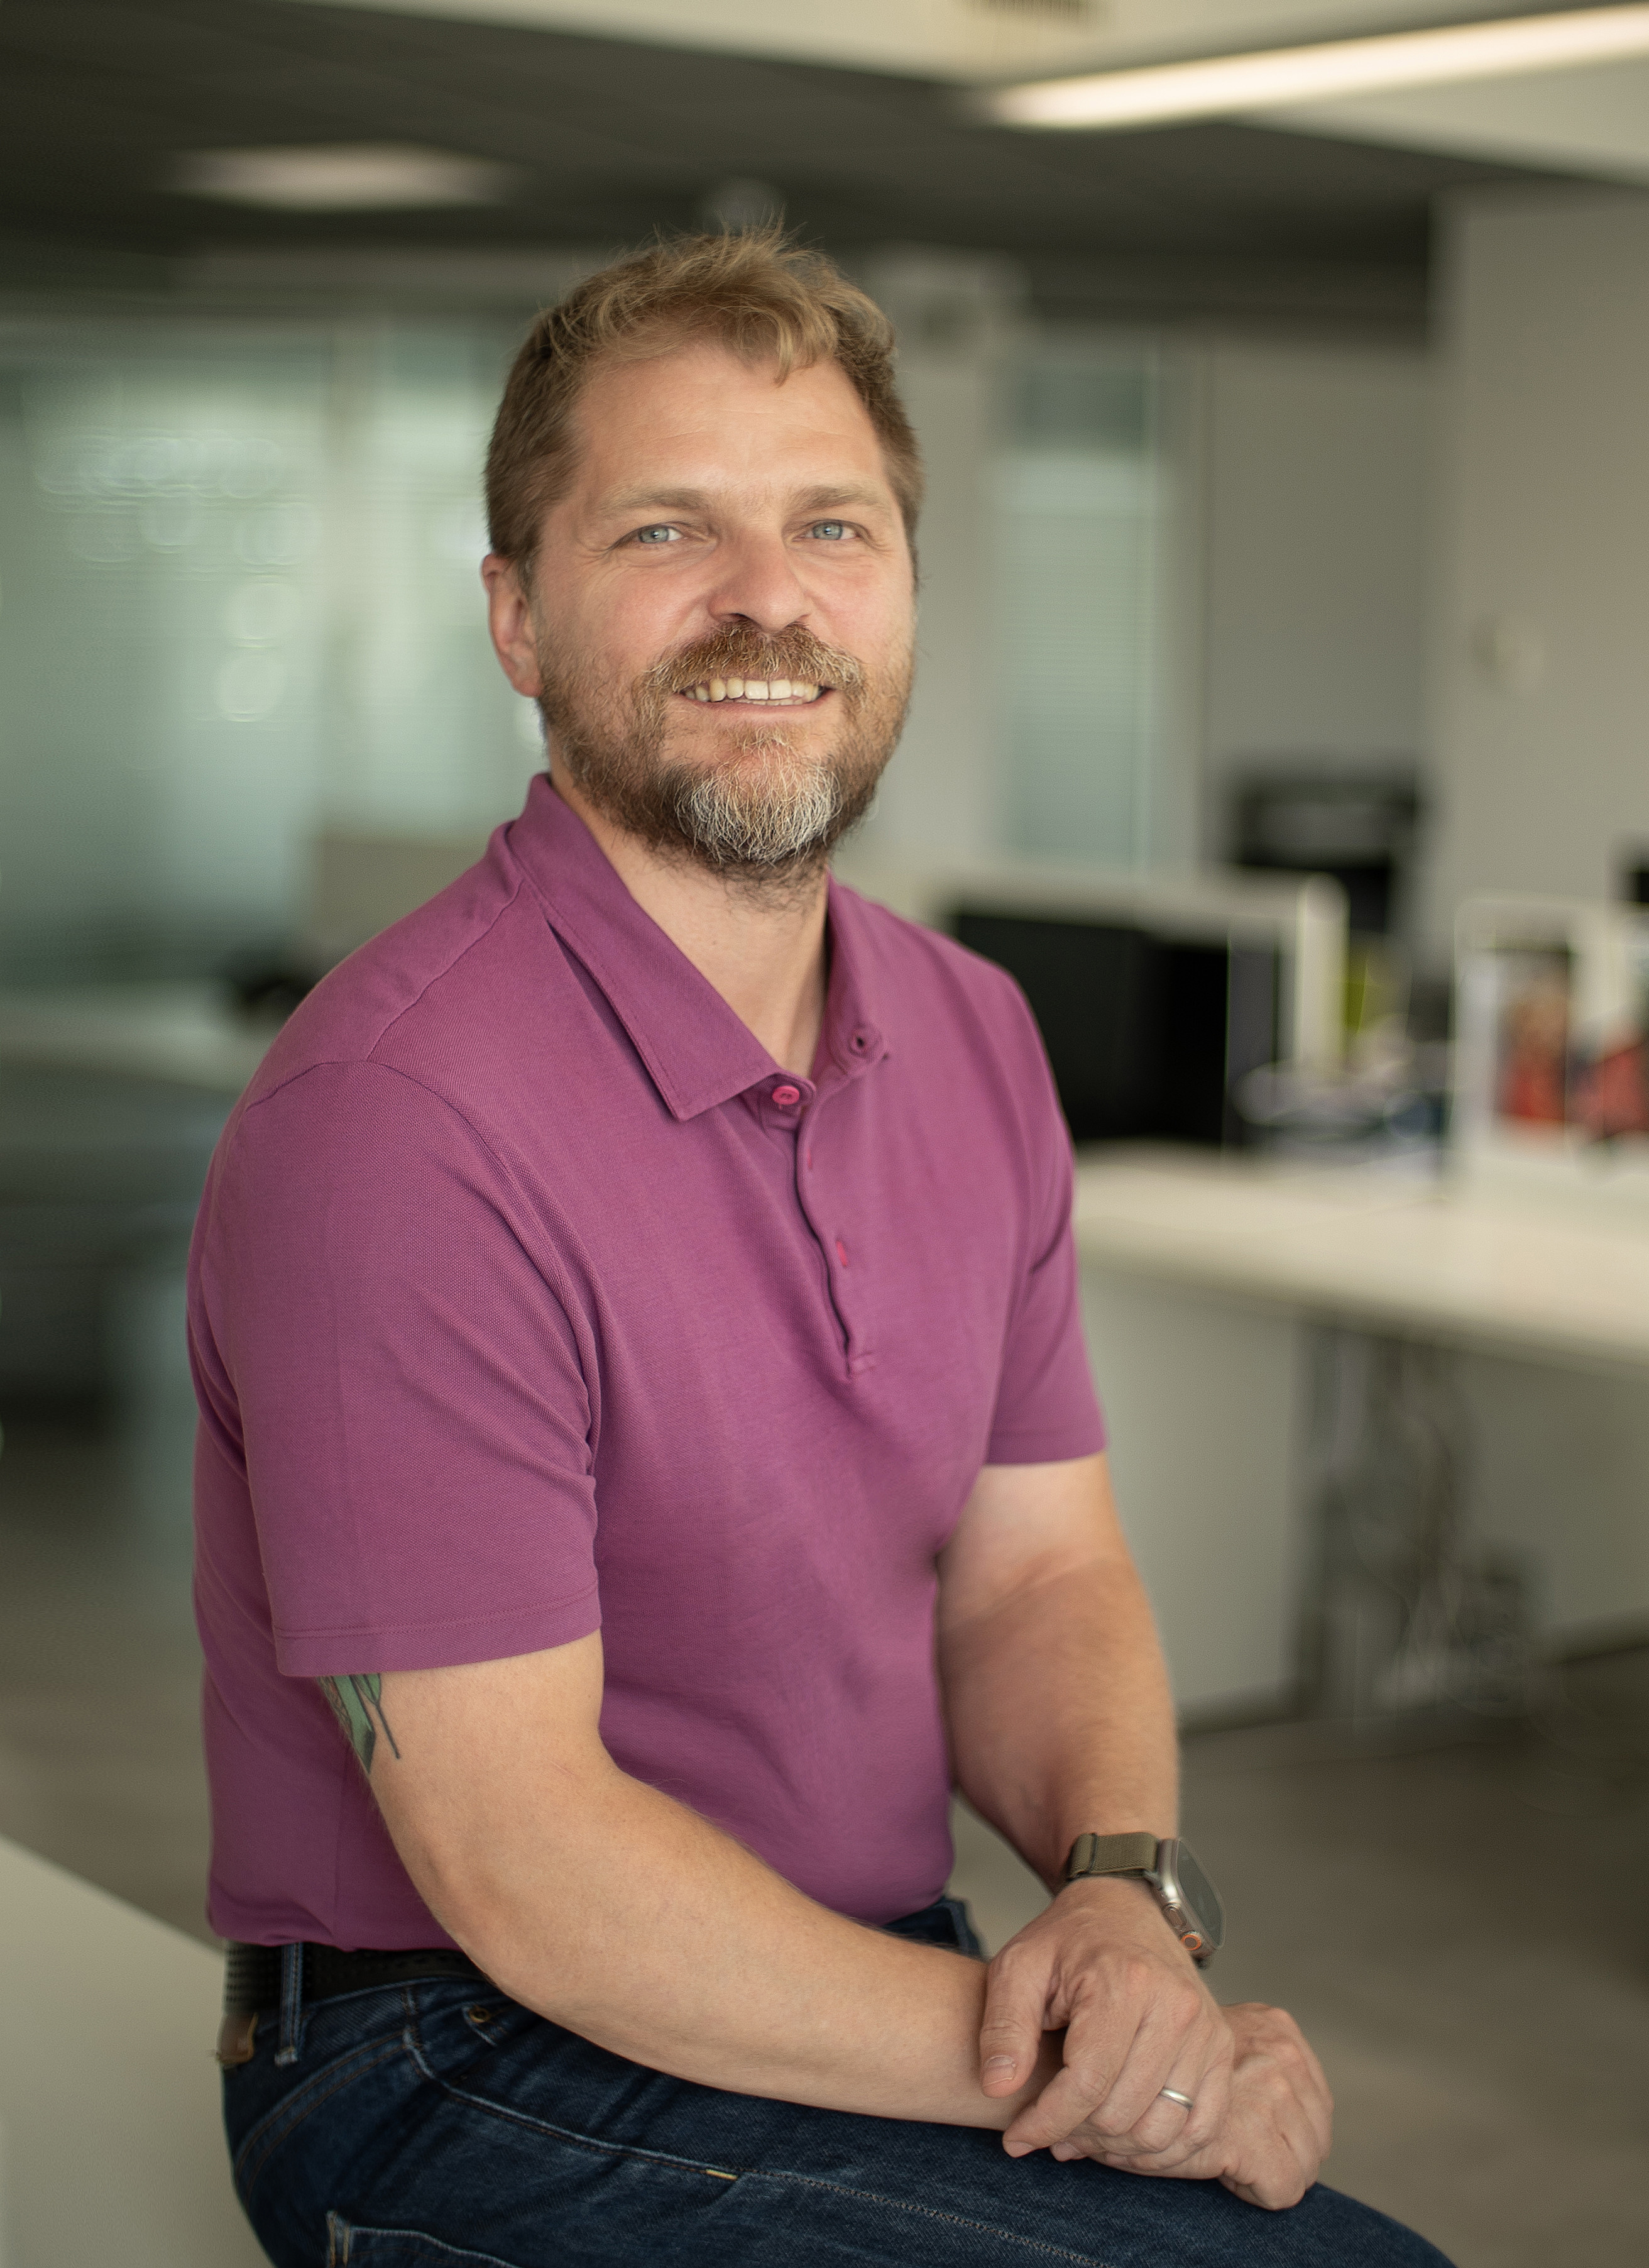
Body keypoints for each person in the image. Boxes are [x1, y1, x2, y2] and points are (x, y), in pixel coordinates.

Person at [189, 229, 1450, 2268]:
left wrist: (1124, 1904)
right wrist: (1115, 2071)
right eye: (666, 527)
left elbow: (1040, 1575)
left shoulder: (972, 1032)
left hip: (865, 1973)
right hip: (448, 2054)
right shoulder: (395, 1123)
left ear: (906, 593)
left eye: (833, 527)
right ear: (515, 618)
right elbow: (527, 1868)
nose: (766, 597)